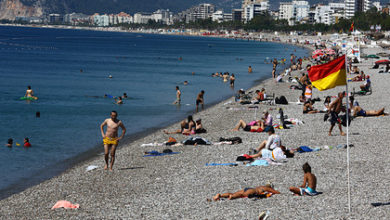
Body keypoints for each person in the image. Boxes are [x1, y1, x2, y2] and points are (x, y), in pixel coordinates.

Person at [211, 185, 280, 201]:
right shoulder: (265, 188)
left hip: (248, 189)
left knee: (234, 193)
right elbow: (275, 192)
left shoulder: (259, 186)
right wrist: (279, 193)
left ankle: (221, 195)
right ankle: (231, 197)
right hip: (252, 191)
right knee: (240, 195)